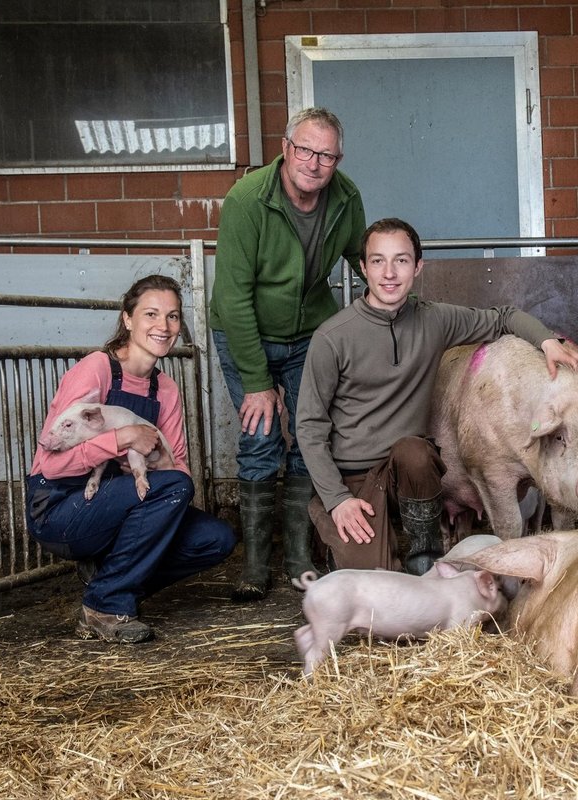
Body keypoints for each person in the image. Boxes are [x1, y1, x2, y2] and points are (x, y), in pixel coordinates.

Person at [296, 218, 578, 574]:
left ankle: (426, 553)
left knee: (416, 451)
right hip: (354, 479)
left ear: (418, 266)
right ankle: (329, 522)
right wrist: (337, 498)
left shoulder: (433, 320)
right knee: (375, 592)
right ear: (362, 267)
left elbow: (504, 317)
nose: (389, 273)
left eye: (401, 260)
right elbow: (310, 425)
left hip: (406, 471)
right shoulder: (332, 337)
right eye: (378, 261)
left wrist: (547, 342)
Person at [25, 275, 236, 644]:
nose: (163, 326)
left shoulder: (165, 388)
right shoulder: (97, 369)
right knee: (172, 488)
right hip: (61, 506)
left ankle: (109, 578)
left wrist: (155, 464)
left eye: (172, 317)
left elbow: (179, 465)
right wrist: (121, 439)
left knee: (215, 538)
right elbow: (52, 465)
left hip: (125, 500)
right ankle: (105, 604)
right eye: (151, 314)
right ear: (127, 319)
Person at [209, 106, 366, 602]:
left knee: (308, 437)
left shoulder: (346, 198)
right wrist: (257, 381)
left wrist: (394, 298)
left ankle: (297, 555)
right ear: (285, 148)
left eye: (326, 154)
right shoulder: (246, 201)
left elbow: (365, 260)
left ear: (337, 160)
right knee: (259, 439)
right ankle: (256, 564)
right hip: (245, 331)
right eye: (305, 149)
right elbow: (233, 299)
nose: (314, 162)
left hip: (309, 337)